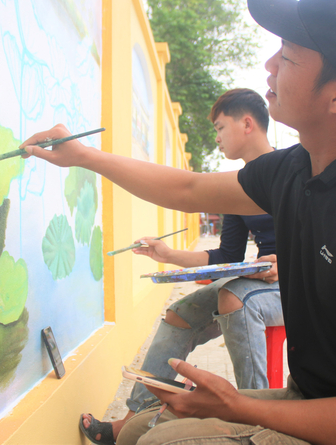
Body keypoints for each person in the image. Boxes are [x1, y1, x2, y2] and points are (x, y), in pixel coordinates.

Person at [21, 0, 336, 444]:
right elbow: (188, 188)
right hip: (316, 399)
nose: (269, 65)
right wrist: (84, 157)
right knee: (140, 426)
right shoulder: (298, 169)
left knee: (160, 442)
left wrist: (238, 404)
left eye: (290, 56)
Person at [79, 88, 284, 445]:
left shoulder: (293, 173)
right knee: (179, 313)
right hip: (256, 280)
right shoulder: (236, 187)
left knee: (235, 296)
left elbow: (330, 239)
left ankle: (258, 417)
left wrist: (291, 262)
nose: (217, 138)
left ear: (247, 123)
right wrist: (167, 254)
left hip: (298, 285)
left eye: (220, 128)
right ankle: (130, 420)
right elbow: (223, 257)